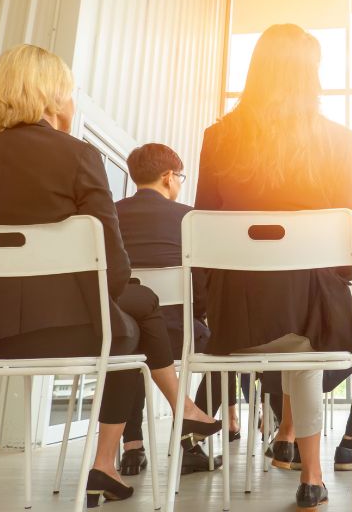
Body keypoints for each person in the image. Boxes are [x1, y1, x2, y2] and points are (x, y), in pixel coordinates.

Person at [0, 44, 220, 506]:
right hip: (72, 332)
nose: (72, 103)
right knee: (135, 315)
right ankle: (147, 432)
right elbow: (115, 273)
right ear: (51, 98)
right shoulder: (79, 157)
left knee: (135, 310)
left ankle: (123, 453)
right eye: (69, 93)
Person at [194, 23, 352, 511]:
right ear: (309, 73)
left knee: (300, 321)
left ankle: (291, 446)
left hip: (236, 319)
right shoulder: (338, 139)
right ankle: (312, 476)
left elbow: (204, 228)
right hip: (310, 315)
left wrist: (207, 305)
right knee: (308, 338)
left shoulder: (218, 137)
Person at [115, 143, 241, 476]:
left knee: (131, 353)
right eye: (180, 177)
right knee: (225, 349)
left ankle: (131, 449)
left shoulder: (109, 214)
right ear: (168, 177)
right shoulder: (190, 219)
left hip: (117, 333)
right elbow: (203, 289)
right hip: (177, 332)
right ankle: (188, 439)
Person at [265, 229, 352, 471]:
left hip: (270, 340)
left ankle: (292, 441)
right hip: (333, 337)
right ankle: (351, 444)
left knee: (285, 351)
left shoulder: (272, 226)